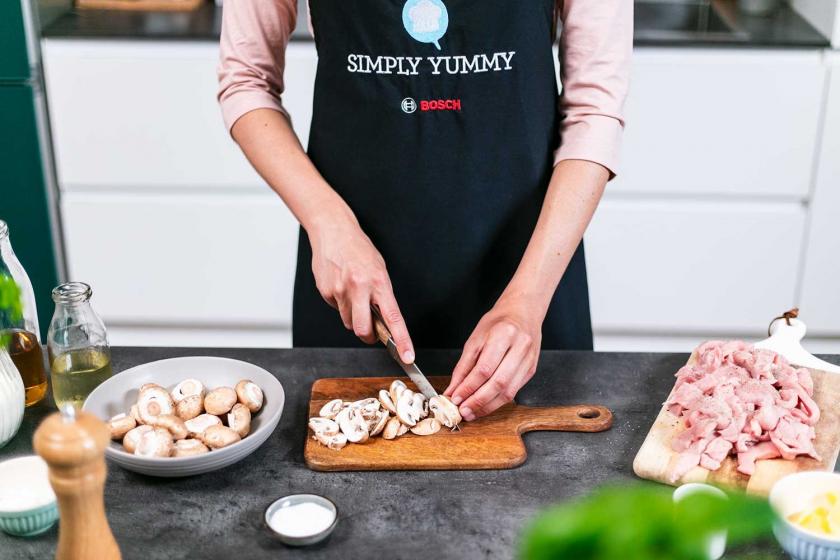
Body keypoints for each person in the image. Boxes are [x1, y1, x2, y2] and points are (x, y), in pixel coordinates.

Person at [217, 0, 632, 421]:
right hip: (353, 280)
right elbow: (246, 80)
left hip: (529, 276)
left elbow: (594, 110)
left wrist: (527, 301)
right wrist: (327, 223)